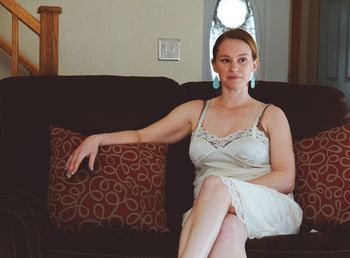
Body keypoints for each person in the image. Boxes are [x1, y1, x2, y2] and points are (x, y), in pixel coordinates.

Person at [65, 28, 303, 258]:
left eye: (242, 60)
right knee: (228, 230)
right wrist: (97, 138)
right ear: (214, 65)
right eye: (225, 60)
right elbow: (143, 136)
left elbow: (285, 178)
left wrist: (230, 192)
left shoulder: (272, 114)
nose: (234, 68)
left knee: (214, 185)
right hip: (206, 210)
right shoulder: (195, 110)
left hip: (266, 204)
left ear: (254, 65)